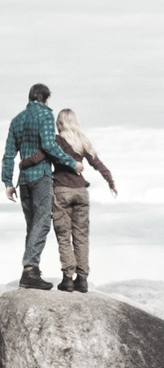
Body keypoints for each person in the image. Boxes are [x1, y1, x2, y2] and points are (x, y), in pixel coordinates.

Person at [19, 108, 116, 293]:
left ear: (59, 123)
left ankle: (68, 279)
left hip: (61, 191)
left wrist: (22, 163)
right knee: (81, 237)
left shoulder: (56, 141)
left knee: (64, 237)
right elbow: (98, 165)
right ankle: (82, 279)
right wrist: (110, 181)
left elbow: (38, 157)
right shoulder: (83, 141)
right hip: (81, 192)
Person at [1, 84, 83, 290]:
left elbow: (9, 154)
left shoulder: (17, 120)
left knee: (33, 226)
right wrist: (73, 163)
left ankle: (32, 270)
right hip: (41, 176)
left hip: (24, 180)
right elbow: (48, 144)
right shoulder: (45, 115)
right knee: (43, 222)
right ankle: (29, 269)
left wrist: (8, 183)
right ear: (46, 99)